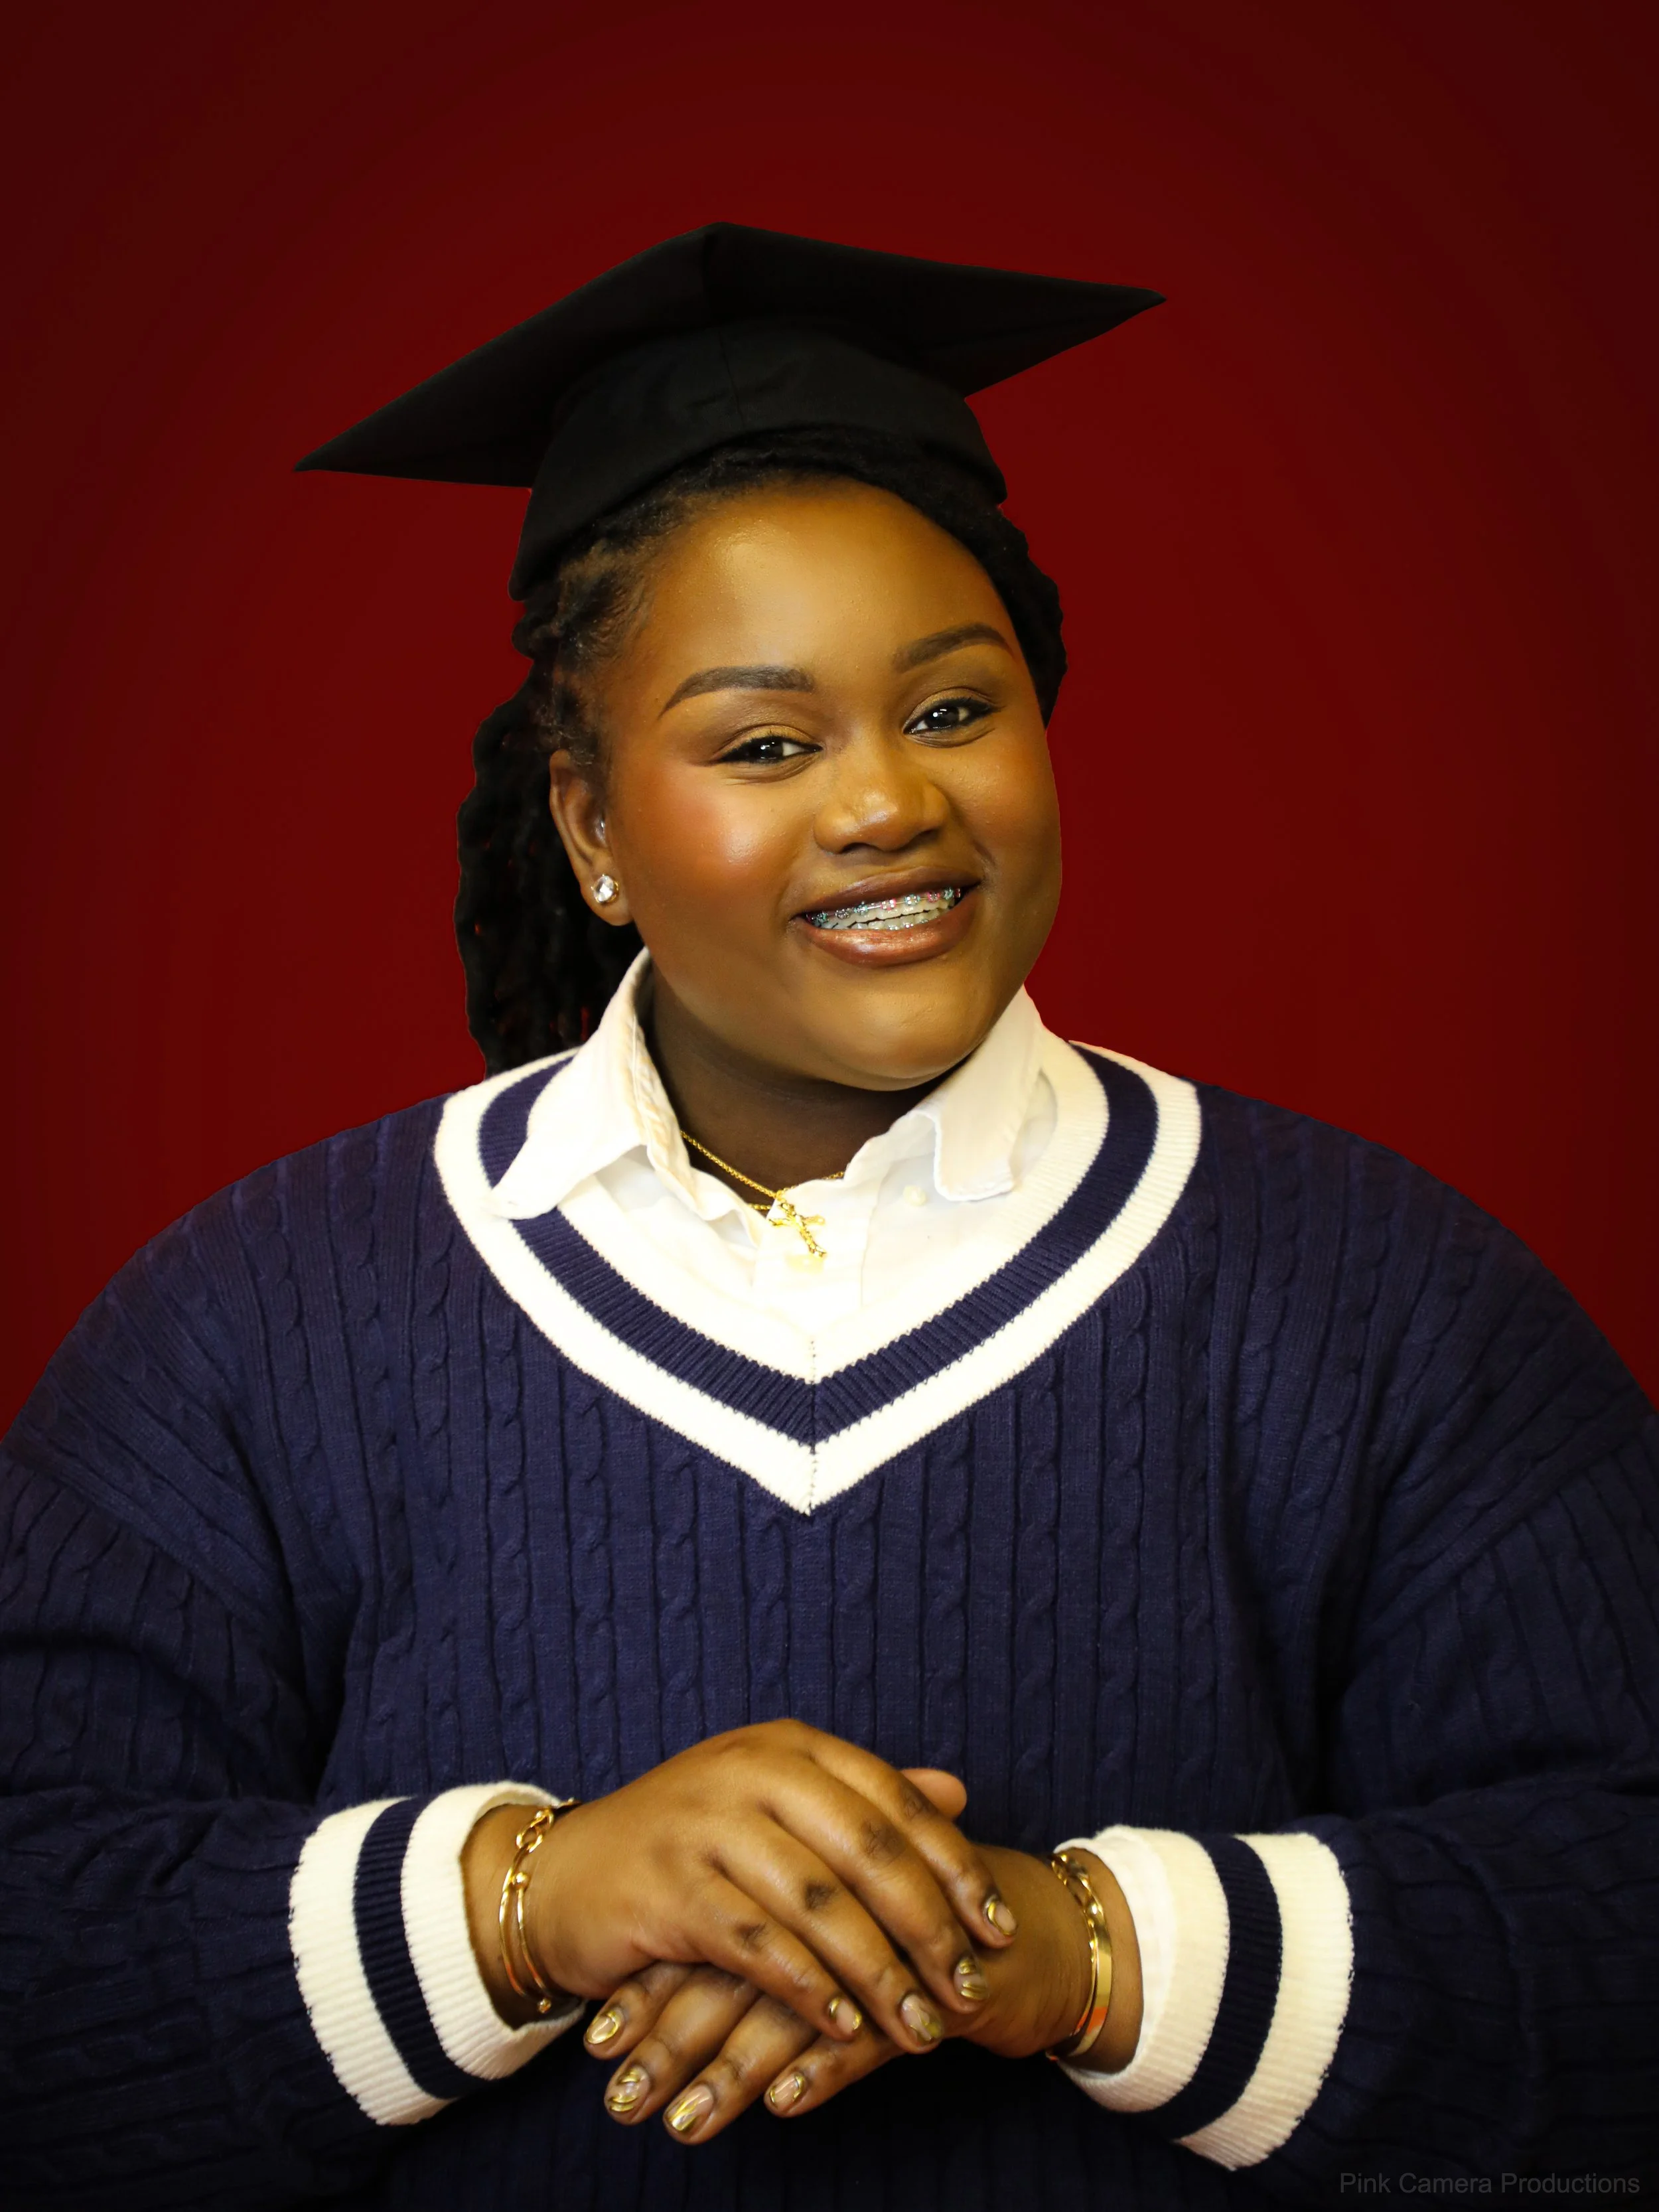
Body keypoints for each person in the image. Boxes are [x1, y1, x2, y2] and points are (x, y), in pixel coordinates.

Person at [1, 223, 1654, 2212]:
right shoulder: (250, 1328)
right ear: (591, 825)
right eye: (765, 743)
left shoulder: (1391, 1307)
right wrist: (533, 1901)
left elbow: (1612, 1925)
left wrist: (1051, 1949)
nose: (887, 803)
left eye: (953, 710)